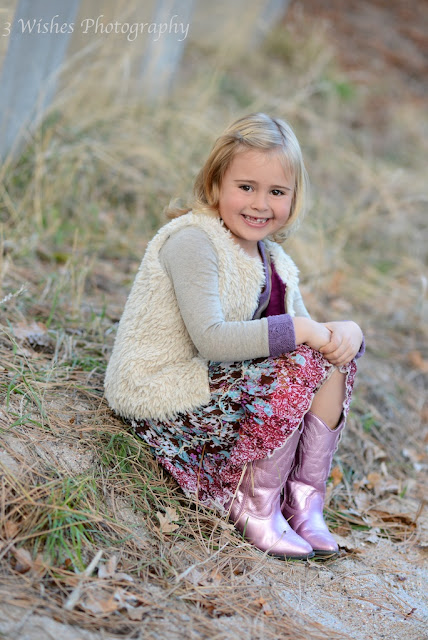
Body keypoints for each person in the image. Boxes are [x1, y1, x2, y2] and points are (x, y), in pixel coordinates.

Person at [104, 113, 364, 560]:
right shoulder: (193, 241)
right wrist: (303, 331)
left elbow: (309, 337)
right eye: (246, 187)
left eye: (276, 192)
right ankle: (253, 501)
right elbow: (212, 339)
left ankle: (302, 499)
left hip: (212, 389)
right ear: (215, 184)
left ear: (293, 198)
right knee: (302, 355)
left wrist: (346, 332)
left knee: (331, 359)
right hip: (162, 390)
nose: (260, 204)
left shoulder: (274, 260)